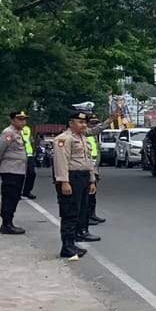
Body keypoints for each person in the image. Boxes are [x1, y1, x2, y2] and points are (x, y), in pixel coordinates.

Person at [52, 111, 97, 260]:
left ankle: (72, 243)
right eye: (80, 122)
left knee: (80, 211)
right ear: (71, 123)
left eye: (85, 122)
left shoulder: (83, 138)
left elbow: (88, 160)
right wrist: (64, 181)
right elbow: (61, 162)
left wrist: (91, 180)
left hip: (83, 177)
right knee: (69, 212)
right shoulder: (64, 139)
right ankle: (67, 246)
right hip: (71, 177)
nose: (84, 125)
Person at [0, 110, 30, 235]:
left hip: (18, 170)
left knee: (15, 196)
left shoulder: (19, 133)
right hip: (11, 170)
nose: (23, 121)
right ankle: (6, 224)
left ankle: (9, 222)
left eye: (24, 119)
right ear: (12, 120)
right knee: (9, 196)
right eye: (19, 119)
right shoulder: (8, 132)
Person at [82, 118, 105, 228]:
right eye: (92, 123)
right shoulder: (85, 135)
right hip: (87, 168)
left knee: (93, 194)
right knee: (88, 195)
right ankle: (87, 216)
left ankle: (92, 214)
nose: (94, 125)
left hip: (94, 167)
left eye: (96, 123)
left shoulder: (94, 136)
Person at [20, 116, 37, 199]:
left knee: (32, 173)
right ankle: (17, 192)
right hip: (19, 155)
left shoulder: (27, 129)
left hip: (29, 155)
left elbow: (31, 141)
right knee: (19, 175)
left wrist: (33, 151)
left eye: (25, 120)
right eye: (21, 120)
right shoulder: (13, 130)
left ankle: (27, 191)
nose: (23, 122)